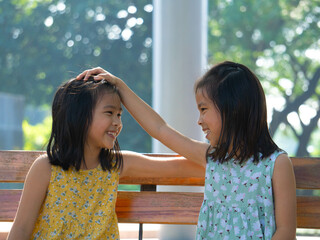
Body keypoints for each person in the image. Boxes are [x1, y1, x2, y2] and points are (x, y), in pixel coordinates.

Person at [77, 61, 297, 239]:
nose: (199, 120)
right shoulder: (212, 158)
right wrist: (120, 87)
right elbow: (160, 129)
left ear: (233, 109)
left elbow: (286, 232)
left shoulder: (276, 164)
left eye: (203, 109)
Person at [7, 77, 204, 240]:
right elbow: (21, 229)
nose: (117, 123)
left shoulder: (116, 165)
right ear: (79, 116)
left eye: (119, 115)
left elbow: (180, 168)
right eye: (109, 113)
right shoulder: (46, 168)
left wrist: (225, 160)